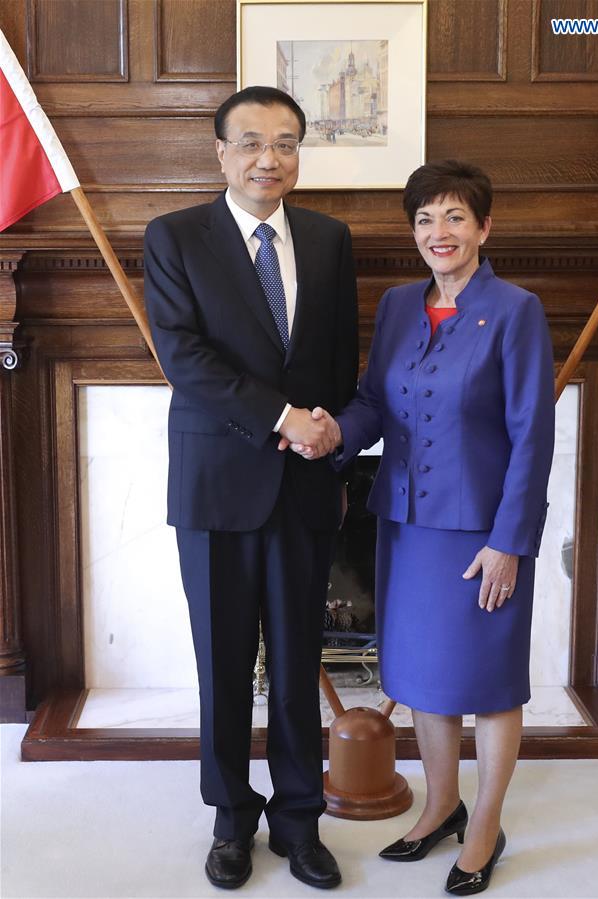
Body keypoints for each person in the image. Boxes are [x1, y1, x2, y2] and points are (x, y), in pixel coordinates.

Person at [291, 160, 554, 895]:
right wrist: (331, 432)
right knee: (423, 679)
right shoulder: (401, 303)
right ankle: (439, 804)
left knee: (491, 682)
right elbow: (375, 403)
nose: (439, 233)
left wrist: (510, 539)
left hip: (480, 532)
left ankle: (483, 827)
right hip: (404, 523)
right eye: (425, 219)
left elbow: (532, 434)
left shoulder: (514, 309)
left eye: (454, 217)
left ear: (483, 228)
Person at [143, 86, 358, 891]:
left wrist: (329, 435)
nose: (271, 158)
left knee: (300, 662)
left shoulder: (331, 240)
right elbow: (184, 358)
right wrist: (283, 417)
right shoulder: (175, 237)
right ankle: (231, 818)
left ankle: (299, 820)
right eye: (253, 142)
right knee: (223, 664)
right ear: (221, 153)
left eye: (288, 142)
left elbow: (338, 360)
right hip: (215, 485)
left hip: (303, 487)